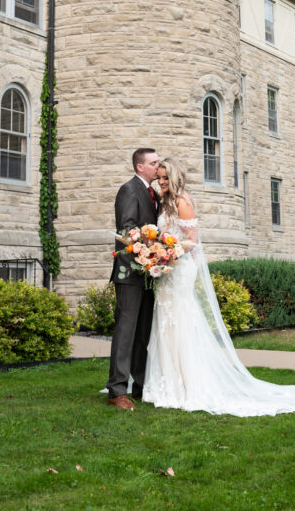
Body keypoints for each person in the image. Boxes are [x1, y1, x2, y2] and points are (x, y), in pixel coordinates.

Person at [142, 156, 295, 416]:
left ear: (176, 178)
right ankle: (167, 383)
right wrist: (158, 252)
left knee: (181, 322)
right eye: (160, 177)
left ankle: (188, 385)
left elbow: (193, 242)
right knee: (165, 323)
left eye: (166, 177)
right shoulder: (164, 203)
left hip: (179, 270)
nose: (161, 181)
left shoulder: (183, 201)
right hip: (166, 272)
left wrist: (168, 250)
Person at [106, 147, 161, 410]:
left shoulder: (154, 194)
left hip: (149, 271)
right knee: (126, 331)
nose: (157, 166)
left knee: (142, 332)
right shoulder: (129, 190)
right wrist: (150, 248)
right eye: (153, 163)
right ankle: (117, 390)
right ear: (140, 167)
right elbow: (126, 229)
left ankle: (139, 385)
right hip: (130, 272)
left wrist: (159, 257)